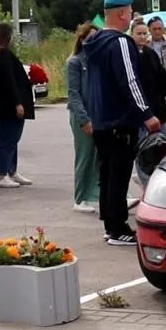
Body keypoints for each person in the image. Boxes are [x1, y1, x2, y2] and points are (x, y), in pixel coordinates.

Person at [83, 0, 162, 246]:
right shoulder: (119, 43)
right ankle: (118, 228)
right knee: (118, 174)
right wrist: (147, 114)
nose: (131, 15)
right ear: (121, 14)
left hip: (102, 120)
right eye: (129, 11)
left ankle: (110, 224)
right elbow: (129, 80)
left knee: (107, 173)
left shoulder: (94, 42)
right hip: (120, 121)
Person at [0, 22, 35, 188]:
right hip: (9, 104)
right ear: (7, 36)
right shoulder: (2, 55)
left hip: (6, 102)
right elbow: (8, 80)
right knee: (7, 138)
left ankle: (12, 170)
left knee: (13, 138)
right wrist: (17, 102)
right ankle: (2, 173)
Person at [66, 23, 100, 213]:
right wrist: (84, 120)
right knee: (85, 156)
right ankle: (80, 199)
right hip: (83, 116)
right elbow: (74, 94)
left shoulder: (97, 62)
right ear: (81, 40)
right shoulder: (75, 62)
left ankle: (99, 194)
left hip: (99, 114)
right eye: (89, 38)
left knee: (101, 157)